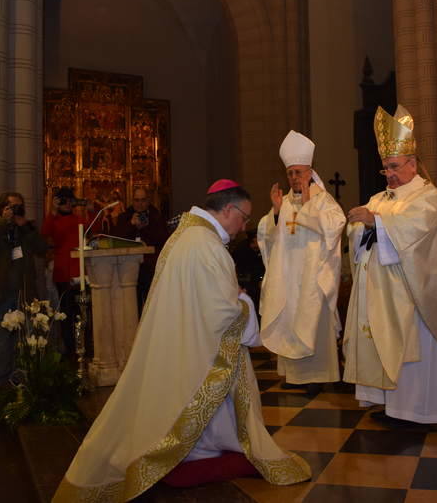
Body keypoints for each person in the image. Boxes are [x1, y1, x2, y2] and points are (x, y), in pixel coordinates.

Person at [53, 180, 311, 502]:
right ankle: (196, 449)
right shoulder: (205, 245)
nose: (244, 225)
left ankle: (203, 446)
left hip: (186, 340)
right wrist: (244, 303)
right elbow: (223, 311)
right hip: (200, 348)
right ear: (228, 209)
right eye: (243, 217)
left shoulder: (186, 237)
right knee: (204, 393)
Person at [343, 105, 437, 424]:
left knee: (413, 350)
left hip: (415, 296)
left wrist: (377, 224)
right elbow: (361, 231)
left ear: (413, 163)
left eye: (395, 166)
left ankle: (420, 411)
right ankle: (390, 406)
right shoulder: (380, 198)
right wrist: (360, 226)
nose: (390, 174)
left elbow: (416, 232)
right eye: (385, 168)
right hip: (381, 293)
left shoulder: (430, 197)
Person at [257, 131, 345, 394]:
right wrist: (274, 212)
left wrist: (308, 207)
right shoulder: (283, 203)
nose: (295, 178)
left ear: (310, 172)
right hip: (287, 276)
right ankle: (295, 376)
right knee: (289, 319)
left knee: (312, 320)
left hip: (312, 275)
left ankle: (318, 376)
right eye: (291, 173)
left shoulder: (322, 200)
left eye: (299, 172)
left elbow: (335, 226)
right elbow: (267, 235)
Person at [0, 192, 47, 390]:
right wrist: (4, 222)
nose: (17, 210)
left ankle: (23, 399)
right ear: (2, 208)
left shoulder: (25, 228)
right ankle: (0, 401)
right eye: (12, 206)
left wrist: (25, 226)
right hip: (0, 299)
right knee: (2, 352)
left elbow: (42, 249)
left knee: (24, 352)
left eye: (20, 206)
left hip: (23, 297)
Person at [41, 187, 93, 356]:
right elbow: (44, 233)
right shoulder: (53, 220)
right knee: (66, 314)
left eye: (70, 200)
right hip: (63, 272)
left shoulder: (78, 219)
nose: (67, 203)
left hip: (81, 272)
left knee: (83, 312)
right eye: (63, 200)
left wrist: (91, 211)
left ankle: (85, 348)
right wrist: (53, 210)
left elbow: (94, 229)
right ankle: (70, 352)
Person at [112, 187, 169, 314]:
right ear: (132, 201)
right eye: (137, 200)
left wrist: (146, 228)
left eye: (143, 200)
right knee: (132, 308)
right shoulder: (124, 217)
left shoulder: (157, 217)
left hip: (151, 268)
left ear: (148, 200)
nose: (140, 204)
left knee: (152, 308)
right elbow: (116, 238)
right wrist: (131, 225)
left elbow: (164, 240)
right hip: (129, 269)